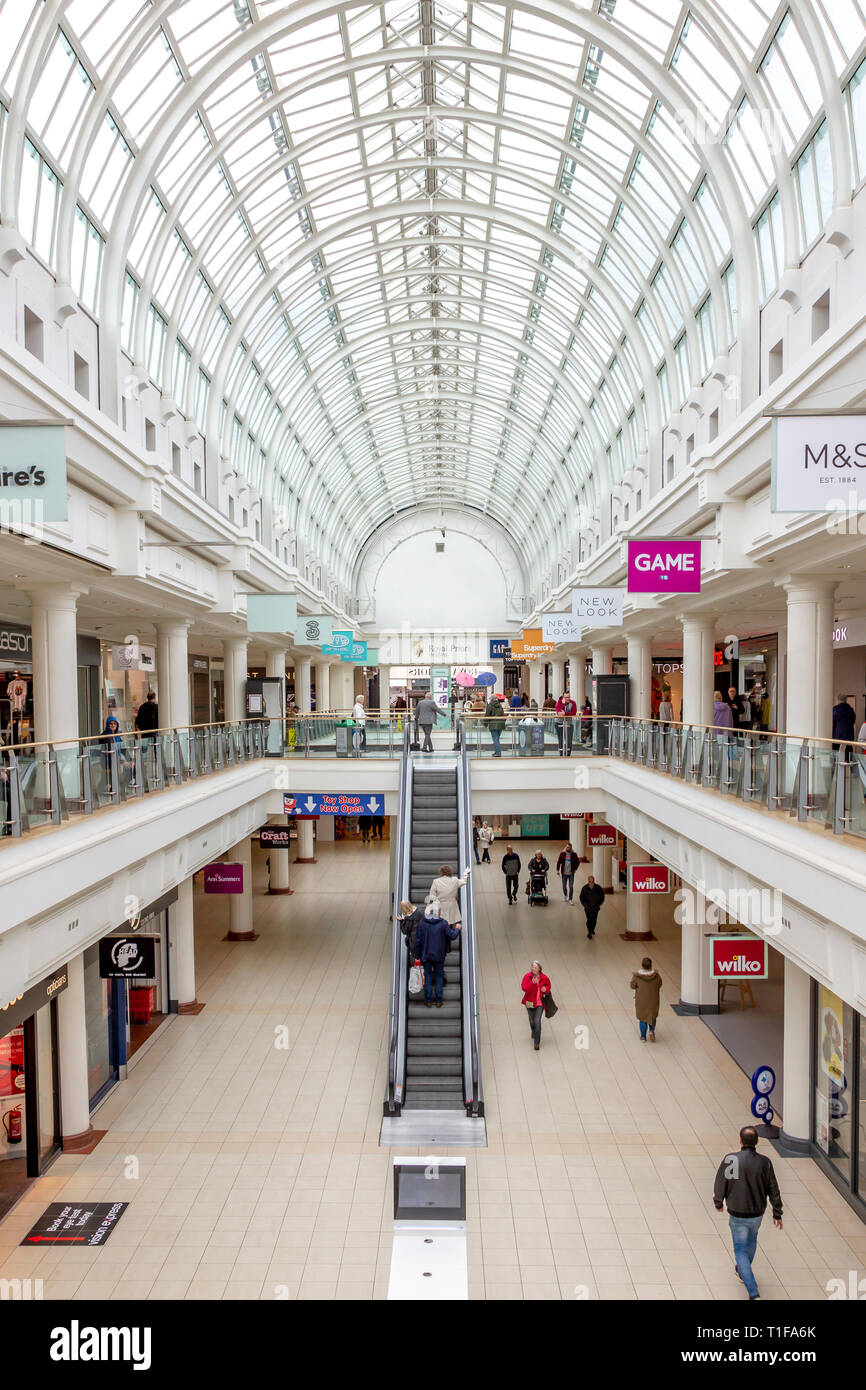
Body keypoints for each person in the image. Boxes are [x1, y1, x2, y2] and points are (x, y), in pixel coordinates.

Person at [713, 1126, 783, 1300]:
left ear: (740, 1141)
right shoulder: (764, 1162)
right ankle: (742, 1269)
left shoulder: (732, 1160)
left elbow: (722, 1181)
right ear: (757, 1142)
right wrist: (777, 1212)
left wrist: (718, 1201)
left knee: (740, 1250)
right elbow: (773, 1188)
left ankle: (753, 1291)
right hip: (757, 1212)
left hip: (737, 1212)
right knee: (751, 1241)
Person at [415, 902, 461, 1007]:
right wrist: (457, 928)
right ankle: (438, 1000)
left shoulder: (422, 923)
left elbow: (418, 940)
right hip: (439, 956)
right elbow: (452, 936)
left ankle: (428, 1000)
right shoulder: (443, 923)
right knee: (439, 976)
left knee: (427, 976)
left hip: (426, 955)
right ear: (438, 912)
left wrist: (417, 955)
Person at [426, 862, 471, 929]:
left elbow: (432, 897)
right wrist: (465, 873)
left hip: (440, 907)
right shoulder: (455, 880)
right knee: (449, 925)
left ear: (441, 872)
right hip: (452, 906)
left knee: (441, 925)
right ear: (450, 872)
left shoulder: (436, 881)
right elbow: (463, 881)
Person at [629, 956, 662, 1041]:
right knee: (652, 1016)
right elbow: (660, 984)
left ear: (642, 965)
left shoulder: (637, 976)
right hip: (653, 1000)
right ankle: (651, 1030)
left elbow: (632, 986)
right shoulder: (656, 976)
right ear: (651, 965)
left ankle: (643, 1037)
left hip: (642, 1000)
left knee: (642, 1018)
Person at [521, 961, 551, 1051]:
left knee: (537, 1021)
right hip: (529, 1002)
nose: (533, 969)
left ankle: (537, 1043)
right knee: (531, 1020)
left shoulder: (544, 978)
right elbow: (524, 988)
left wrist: (546, 989)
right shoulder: (527, 977)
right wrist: (532, 983)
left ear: (539, 969)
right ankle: (533, 1031)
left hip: (540, 1003)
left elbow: (548, 985)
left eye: (535, 967)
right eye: (532, 967)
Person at [579, 873, 605, 939]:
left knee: (594, 920)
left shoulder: (598, 888)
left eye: (592, 881)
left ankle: (592, 929)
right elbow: (581, 897)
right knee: (589, 920)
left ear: (594, 881)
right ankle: (589, 932)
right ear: (588, 881)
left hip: (595, 907)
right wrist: (585, 905)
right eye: (590, 881)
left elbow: (602, 897)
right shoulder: (584, 888)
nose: (591, 883)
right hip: (588, 908)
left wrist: (599, 903)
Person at [555, 689, 578, 756]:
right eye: (566, 697)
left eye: (569, 697)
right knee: (561, 739)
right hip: (559, 723)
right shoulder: (559, 702)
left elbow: (573, 712)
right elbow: (559, 713)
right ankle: (561, 754)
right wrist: (563, 704)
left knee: (569, 740)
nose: (568, 698)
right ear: (563, 697)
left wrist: (565, 713)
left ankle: (568, 754)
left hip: (569, 723)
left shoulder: (573, 703)